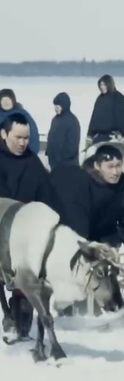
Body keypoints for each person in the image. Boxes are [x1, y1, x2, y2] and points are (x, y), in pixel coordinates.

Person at [49, 144, 124, 315]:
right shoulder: (81, 182)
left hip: (105, 233)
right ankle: (76, 301)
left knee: (108, 266)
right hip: (78, 230)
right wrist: (87, 245)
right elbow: (75, 217)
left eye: (118, 166)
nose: (115, 171)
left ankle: (111, 299)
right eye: (110, 167)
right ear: (97, 166)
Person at [0, 113, 58, 341]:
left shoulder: (33, 163)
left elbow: (48, 198)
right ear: (4, 134)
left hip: (25, 236)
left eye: (26, 138)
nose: (23, 143)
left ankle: (21, 321)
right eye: (18, 137)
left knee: (27, 283)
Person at [86, 74, 124, 146]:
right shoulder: (100, 99)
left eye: (104, 85)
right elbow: (94, 118)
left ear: (109, 84)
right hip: (100, 136)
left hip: (115, 135)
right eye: (101, 85)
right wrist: (89, 135)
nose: (102, 87)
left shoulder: (119, 98)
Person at [46, 92, 81, 170]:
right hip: (54, 164)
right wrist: (49, 153)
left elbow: (72, 146)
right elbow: (51, 137)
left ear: (64, 105)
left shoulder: (72, 121)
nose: (56, 108)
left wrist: (61, 158)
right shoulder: (55, 120)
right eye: (55, 106)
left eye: (58, 106)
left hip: (68, 164)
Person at [0, 89, 40, 154]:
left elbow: (33, 132)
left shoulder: (22, 114)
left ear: (13, 101)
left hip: (18, 151)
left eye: (8, 100)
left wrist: (33, 151)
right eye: (3, 101)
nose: (6, 103)